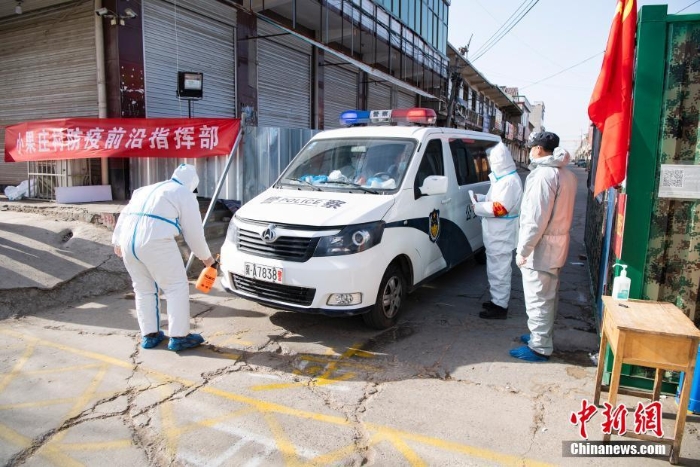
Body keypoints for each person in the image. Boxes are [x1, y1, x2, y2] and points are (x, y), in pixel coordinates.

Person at [112, 163, 216, 351]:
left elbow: (124, 214)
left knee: (144, 289)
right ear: (192, 184)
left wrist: (117, 240)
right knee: (176, 287)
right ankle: (179, 337)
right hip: (156, 243)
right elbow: (193, 232)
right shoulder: (183, 193)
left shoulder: (143, 190)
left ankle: (150, 335)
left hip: (128, 242)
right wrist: (207, 259)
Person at [510, 131, 577, 362]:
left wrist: (523, 250)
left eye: (531, 147)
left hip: (541, 247)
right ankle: (540, 336)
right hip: (556, 245)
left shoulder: (543, 176)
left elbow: (535, 219)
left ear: (538, 149)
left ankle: (539, 347)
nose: (530, 151)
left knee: (538, 298)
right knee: (548, 296)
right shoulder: (565, 174)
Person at [473, 142, 523, 320]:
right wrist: (481, 199)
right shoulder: (503, 180)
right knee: (495, 269)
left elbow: (500, 208)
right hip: (497, 234)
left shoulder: (508, 182)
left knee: (499, 271)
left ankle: (500, 306)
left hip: (501, 234)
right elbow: (494, 200)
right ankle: (497, 300)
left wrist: (478, 207)